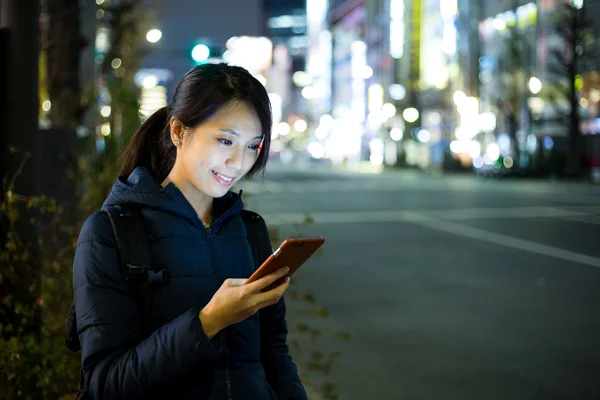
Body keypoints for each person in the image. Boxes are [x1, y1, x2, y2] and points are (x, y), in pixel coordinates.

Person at [73, 63, 307, 399]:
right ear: (179, 131)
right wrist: (208, 321)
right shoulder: (111, 232)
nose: (238, 163)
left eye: (252, 146)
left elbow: (273, 351)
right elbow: (104, 383)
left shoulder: (249, 229)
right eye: (226, 141)